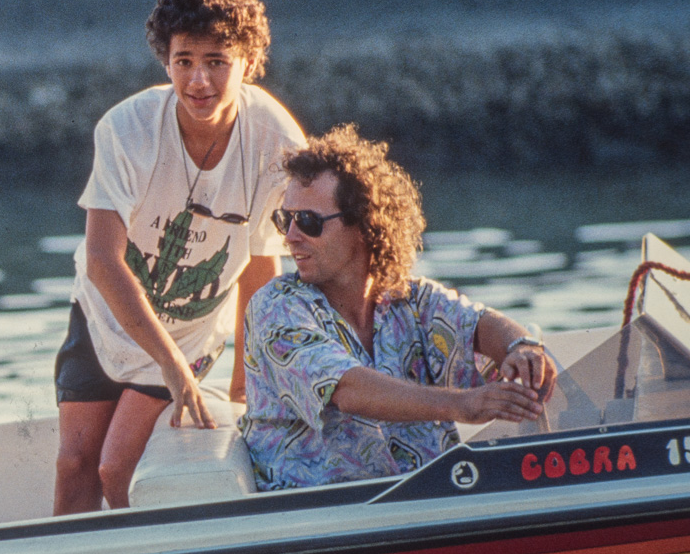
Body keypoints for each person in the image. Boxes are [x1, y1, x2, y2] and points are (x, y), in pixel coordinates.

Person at [54, 0, 306, 514]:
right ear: (165, 59)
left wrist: (247, 378)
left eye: (218, 62)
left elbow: (263, 261)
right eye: (184, 61)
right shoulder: (127, 129)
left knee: (114, 466)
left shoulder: (276, 141)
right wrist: (163, 362)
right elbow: (101, 260)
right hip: (106, 313)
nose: (199, 81)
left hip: (191, 332)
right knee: (74, 464)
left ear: (248, 62)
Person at [238, 125, 558, 490]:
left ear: (363, 224)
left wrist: (522, 348)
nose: (290, 236)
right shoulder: (275, 308)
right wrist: (463, 405)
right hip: (321, 518)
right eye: (285, 219)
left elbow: (480, 323)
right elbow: (348, 390)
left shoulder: (411, 299)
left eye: (308, 222)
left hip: (425, 500)